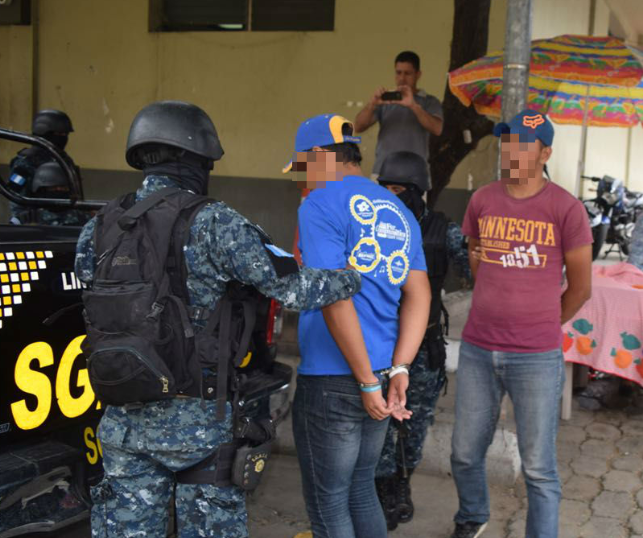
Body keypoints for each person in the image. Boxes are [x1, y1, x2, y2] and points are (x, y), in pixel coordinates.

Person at [78, 101, 362, 538]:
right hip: (200, 426)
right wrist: (351, 278)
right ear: (197, 159)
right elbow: (292, 287)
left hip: (122, 422)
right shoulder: (214, 221)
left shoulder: (101, 225)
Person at [450, 110, 592, 538]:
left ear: (545, 152)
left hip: (536, 356)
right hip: (477, 348)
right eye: (506, 141)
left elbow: (581, 288)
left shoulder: (566, 209)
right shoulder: (483, 201)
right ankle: (473, 515)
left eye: (522, 143)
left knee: (539, 468)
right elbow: (478, 259)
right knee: (463, 453)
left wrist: (541, 322)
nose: (510, 151)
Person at [288, 114, 430, 537]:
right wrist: (399, 367)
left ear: (318, 157)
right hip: (385, 374)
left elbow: (334, 295)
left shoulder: (319, 203)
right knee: (360, 490)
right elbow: (419, 295)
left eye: (302, 166)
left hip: (335, 379)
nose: (303, 177)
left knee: (329, 503)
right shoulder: (397, 208)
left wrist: (366, 379)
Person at [373, 151, 470, 530]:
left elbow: (472, 270)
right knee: (377, 428)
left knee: (413, 428)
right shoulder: (370, 224)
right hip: (377, 347)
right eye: (386, 189)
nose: (391, 197)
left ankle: (400, 486)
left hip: (422, 351)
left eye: (400, 190)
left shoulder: (442, 230)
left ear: (419, 191)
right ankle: (380, 491)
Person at [353, 51, 443, 188]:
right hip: (382, 173)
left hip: (415, 175)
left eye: (407, 73)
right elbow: (358, 126)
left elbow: (437, 128)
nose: (402, 78)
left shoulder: (429, 102)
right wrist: (372, 104)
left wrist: (413, 106)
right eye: (398, 72)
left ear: (418, 74)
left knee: (413, 210)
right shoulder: (386, 100)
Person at [7, 109, 79, 224]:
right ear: (44, 133)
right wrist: (22, 221)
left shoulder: (63, 158)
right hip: (35, 222)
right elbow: (15, 197)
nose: (63, 138)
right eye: (59, 134)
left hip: (66, 219)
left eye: (65, 134)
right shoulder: (25, 162)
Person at [11, 161, 91, 226]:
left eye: (63, 187)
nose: (59, 191)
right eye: (53, 188)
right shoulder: (26, 218)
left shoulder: (84, 218)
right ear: (42, 190)